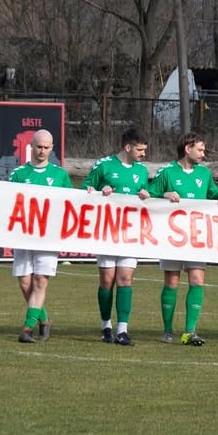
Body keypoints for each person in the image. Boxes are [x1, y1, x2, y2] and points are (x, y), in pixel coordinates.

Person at [147, 132, 218, 345]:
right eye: (200, 149)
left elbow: (213, 194)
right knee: (172, 281)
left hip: (196, 237)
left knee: (197, 280)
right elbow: (146, 195)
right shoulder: (166, 172)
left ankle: (189, 331)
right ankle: (167, 330)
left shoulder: (204, 174)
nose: (203, 154)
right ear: (187, 149)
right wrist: (164, 195)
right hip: (172, 237)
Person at [82, 127, 150, 345]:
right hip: (107, 231)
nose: (143, 154)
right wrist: (101, 191)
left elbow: (149, 196)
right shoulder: (104, 165)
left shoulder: (141, 171)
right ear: (127, 147)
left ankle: (122, 330)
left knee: (125, 279)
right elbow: (85, 189)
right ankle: (105, 326)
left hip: (130, 233)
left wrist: (147, 195)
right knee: (107, 281)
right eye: (140, 150)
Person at [10, 130, 72, 343]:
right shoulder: (18, 174)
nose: (42, 151)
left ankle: (27, 329)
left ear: (52, 148)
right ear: (32, 146)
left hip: (48, 236)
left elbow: (71, 204)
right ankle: (44, 320)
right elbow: (7, 201)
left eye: (46, 147)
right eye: (39, 147)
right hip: (23, 235)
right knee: (25, 283)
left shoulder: (60, 175)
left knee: (40, 281)